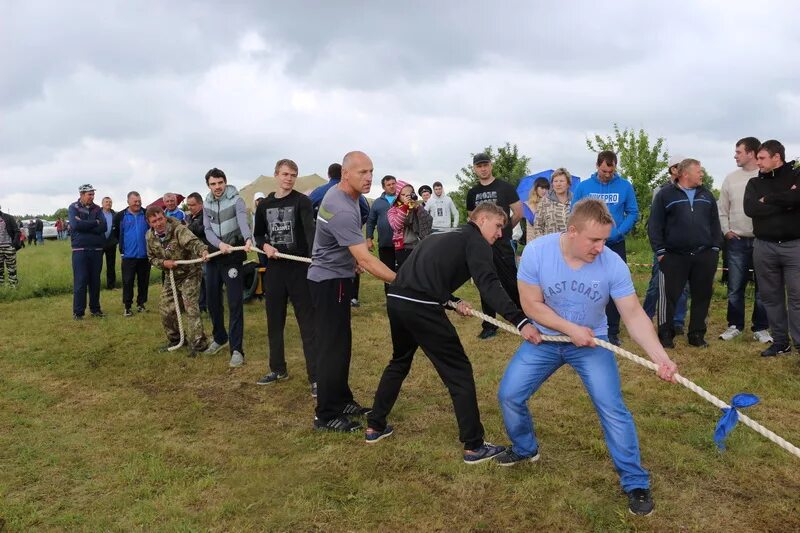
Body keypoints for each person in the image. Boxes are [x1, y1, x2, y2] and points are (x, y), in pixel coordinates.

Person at [496, 198, 678, 517]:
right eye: (594, 240)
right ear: (572, 231)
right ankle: (525, 450)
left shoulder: (612, 263)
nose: (600, 247)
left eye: (605, 240)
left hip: (594, 342)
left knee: (612, 409)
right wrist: (569, 328)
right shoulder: (537, 252)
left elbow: (634, 314)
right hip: (547, 338)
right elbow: (531, 304)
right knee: (510, 394)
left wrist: (660, 356)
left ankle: (635, 482)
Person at [366, 203, 540, 461]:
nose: (500, 234)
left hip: (398, 300)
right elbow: (489, 285)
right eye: (498, 226)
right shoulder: (476, 241)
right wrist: (520, 321)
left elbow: (425, 275)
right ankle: (474, 445)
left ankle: (375, 426)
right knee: (459, 373)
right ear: (481, 220)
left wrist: (452, 300)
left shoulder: (443, 235)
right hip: (421, 307)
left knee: (399, 362)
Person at [307, 151, 397, 433]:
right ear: (345, 174)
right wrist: (404, 281)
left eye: (371, 171)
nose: (369, 177)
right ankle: (326, 414)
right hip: (328, 282)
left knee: (341, 344)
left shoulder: (349, 197)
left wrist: (351, 261)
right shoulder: (343, 208)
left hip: (339, 276)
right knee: (331, 348)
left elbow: (350, 251)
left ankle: (342, 399)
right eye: (362, 172)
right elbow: (368, 260)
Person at [253, 159, 318, 396]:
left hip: (299, 269)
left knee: (307, 323)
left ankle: (315, 377)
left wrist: (314, 260)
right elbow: (258, 234)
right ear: (276, 175)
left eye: (293, 175)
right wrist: (265, 245)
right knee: (274, 321)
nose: (289, 178)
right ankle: (277, 368)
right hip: (275, 270)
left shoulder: (302, 201)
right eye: (285, 174)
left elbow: (310, 232)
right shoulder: (264, 205)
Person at [648, 159, 722, 348]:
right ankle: (665, 334)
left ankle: (697, 334)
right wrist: (661, 252)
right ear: (685, 174)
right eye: (699, 171)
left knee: (702, 296)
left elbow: (715, 224)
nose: (702, 175)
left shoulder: (707, 195)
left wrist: (714, 249)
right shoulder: (665, 195)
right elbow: (655, 225)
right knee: (668, 297)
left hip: (704, 255)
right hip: (673, 256)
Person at [572, 151, 639, 346]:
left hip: (615, 243)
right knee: (585, 283)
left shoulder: (625, 186)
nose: (607, 174)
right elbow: (574, 213)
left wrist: (619, 232)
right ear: (597, 166)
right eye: (603, 170)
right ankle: (583, 324)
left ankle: (613, 330)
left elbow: (633, 212)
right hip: (587, 245)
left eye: (611, 171)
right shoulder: (584, 187)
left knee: (614, 286)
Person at [744, 140, 800, 357]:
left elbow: (797, 197)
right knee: (771, 296)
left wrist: (768, 200)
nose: (758, 162)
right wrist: (786, 204)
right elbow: (751, 208)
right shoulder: (754, 183)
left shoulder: (796, 176)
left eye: (762, 158)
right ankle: (780, 342)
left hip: (794, 246)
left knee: (797, 297)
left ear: (777, 157)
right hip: (764, 247)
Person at [717, 137, 772, 343]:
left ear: (751, 153)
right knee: (735, 286)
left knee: (764, 287)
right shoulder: (731, 179)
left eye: (738, 152)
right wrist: (726, 231)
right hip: (737, 241)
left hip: (763, 240)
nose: (735, 156)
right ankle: (734, 325)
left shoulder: (766, 177)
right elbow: (722, 209)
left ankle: (761, 328)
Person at [466, 152, 523, 339]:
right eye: (479, 166)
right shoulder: (472, 193)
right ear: (475, 169)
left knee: (510, 281)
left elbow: (518, 212)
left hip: (502, 244)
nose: (482, 168)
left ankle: (524, 318)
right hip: (481, 245)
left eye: (485, 165)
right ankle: (489, 324)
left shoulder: (504, 187)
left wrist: (504, 231)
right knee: (485, 282)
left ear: (491, 165)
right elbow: (471, 218)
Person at [201, 167, 253, 368]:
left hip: (233, 257)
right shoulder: (207, 203)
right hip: (215, 256)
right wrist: (219, 245)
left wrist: (247, 238)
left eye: (220, 183)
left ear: (225, 182)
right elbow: (206, 229)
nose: (217, 187)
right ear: (208, 185)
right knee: (213, 300)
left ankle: (237, 349)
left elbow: (243, 220)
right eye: (213, 184)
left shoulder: (236, 200)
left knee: (234, 303)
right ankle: (220, 338)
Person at [145, 205, 209, 355]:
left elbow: (193, 242)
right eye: (154, 221)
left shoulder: (178, 229)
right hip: (171, 276)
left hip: (190, 272)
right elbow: (151, 258)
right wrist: (163, 263)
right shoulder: (149, 236)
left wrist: (203, 251)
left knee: (190, 306)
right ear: (149, 223)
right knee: (165, 308)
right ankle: (176, 339)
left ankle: (199, 343)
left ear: (164, 216)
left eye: (160, 218)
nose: (159, 223)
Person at [310, 163, 370, 306]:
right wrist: (355, 226)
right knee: (354, 261)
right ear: (344, 174)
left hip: (323, 240)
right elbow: (366, 210)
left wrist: (316, 224)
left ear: (329, 174)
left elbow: (307, 207)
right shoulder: (353, 192)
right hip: (349, 237)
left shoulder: (320, 191)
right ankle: (353, 297)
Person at [642, 156, 689, 335]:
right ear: (672, 170)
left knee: (683, 286)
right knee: (656, 284)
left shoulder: (692, 190)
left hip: (684, 247)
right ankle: (645, 317)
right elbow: (656, 221)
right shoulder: (660, 191)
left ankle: (678, 321)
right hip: (664, 246)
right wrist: (659, 247)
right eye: (679, 167)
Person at [68, 184, 107, 319]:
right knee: (80, 281)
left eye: (93, 194)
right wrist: (94, 222)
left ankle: (95, 309)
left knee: (95, 281)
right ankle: (78, 312)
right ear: (82, 195)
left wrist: (85, 224)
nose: (92, 196)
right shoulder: (73, 207)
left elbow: (103, 226)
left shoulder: (97, 208)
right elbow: (75, 225)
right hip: (80, 250)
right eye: (89, 194)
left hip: (96, 249)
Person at [112, 191, 151, 317]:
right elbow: (116, 234)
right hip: (128, 256)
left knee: (143, 281)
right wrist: (123, 248)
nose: (138, 203)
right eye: (135, 201)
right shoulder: (120, 216)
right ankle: (127, 306)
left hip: (145, 256)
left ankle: (141, 304)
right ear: (128, 202)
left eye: (139, 201)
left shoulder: (146, 214)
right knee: (128, 281)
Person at [387, 182, 433, 269]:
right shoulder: (393, 210)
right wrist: (404, 207)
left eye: (410, 194)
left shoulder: (416, 207)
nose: (407, 197)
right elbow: (396, 226)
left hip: (417, 245)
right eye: (404, 194)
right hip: (402, 248)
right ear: (398, 196)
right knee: (405, 275)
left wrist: (419, 209)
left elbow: (428, 222)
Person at [366, 175, 399, 293]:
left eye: (393, 184)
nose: (392, 186)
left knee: (402, 271)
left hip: (402, 244)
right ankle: (390, 296)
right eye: (388, 185)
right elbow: (370, 222)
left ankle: (403, 297)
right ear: (383, 187)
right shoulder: (377, 203)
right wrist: (369, 238)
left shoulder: (402, 199)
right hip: (385, 243)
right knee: (386, 271)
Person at [532, 168, 572, 239]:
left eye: (561, 181)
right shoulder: (544, 202)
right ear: (552, 184)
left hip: (571, 245)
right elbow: (537, 226)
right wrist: (542, 242)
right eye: (555, 181)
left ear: (568, 184)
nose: (558, 184)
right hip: (550, 245)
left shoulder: (575, 201)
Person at [185, 192, 208, 313]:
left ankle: (209, 305)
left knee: (207, 280)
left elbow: (201, 230)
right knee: (198, 282)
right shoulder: (188, 217)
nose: (189, 207)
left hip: (206, 252)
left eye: (192, 205)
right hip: (193, 255)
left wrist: (188, 227)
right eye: (188, 205)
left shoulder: (207, 215)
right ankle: (201, 305)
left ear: (201, 204)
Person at [0, 204, 21, 288]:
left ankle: (13, 288)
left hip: (9, 247)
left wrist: (13, 245)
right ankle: (1, 289)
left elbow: (17, 231)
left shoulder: (8, 217)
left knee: (12, 269)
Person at [524, 177, 550, 244]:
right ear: (536, 188)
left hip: (546, 241)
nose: (544, 191)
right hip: (532, 242)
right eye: (542, 188)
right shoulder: (526, 205)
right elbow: (533, 221)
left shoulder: (550, 205)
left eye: (547, 189)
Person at [100, 197, 117, 290]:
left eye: (110, 202)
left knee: (111, 265)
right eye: (106, 202)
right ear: (102, 203)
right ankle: (95, 286)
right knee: (97, 265)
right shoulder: (97, 213)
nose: (109, 203)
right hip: (99, 243)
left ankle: (111, 286)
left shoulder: (115, 215)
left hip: (111, 243)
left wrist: (116, 240)